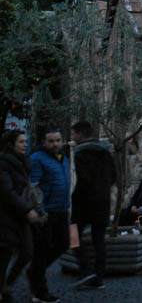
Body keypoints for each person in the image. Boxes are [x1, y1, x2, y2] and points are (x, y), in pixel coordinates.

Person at [70, 121, 116, 290]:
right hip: (102, 202)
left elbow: (84, 179)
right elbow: (113, 176)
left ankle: (85, 269)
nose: (73, 138)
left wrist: (79, 197)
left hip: (84, 203)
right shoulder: (105, 151)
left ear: (81, 134)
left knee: (73, 234)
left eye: (74, 134)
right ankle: (99, 277)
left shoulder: (81, 153)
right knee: (99, 240)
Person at [0, 130, 44, 303]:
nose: (25, 144)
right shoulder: (3, 163)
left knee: (27, 252)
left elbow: (28, 190)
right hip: (6, 216)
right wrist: (27, 210)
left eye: (26, 141)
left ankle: (7, 284)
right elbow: (7, 192)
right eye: (21, 142)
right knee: (4, 255)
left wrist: (37, 210)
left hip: (22, 216)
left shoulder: (25, 162)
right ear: (11, 144)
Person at [30, 127, 71, 303]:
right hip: (46, 213)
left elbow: (66, 182)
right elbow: (34, 186)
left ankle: (35, 271)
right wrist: (39, 211)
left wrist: (68, 205)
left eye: (58, 140)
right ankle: (40, 291)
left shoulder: (62, 157)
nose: (55, 144)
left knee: (65, 243)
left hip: (61, 210)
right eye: (51, 141)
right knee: (42, 250)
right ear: (44, 142)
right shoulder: (37, 159)